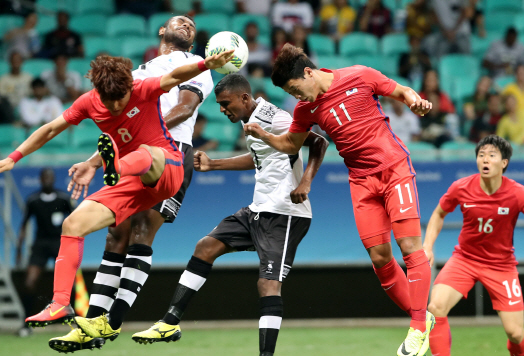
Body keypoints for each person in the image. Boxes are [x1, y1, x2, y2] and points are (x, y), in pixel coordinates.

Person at [0, 49, 233, 331]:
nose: (115, 106)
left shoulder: (142, 88)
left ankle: (115, 165)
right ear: (97, 92)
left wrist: (205, 65)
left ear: (129, 86)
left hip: (166, 169)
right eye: (109, 100)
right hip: (128, 182)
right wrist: (13, 157)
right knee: (72, 223)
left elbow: (176, 75)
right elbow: (51, 129)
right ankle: (59, 303)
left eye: (121, 98)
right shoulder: (89, 102)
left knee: (146, 151)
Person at [244, 43, 435, 356]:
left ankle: (416, 328)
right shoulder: (305, 110)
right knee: (379, 259)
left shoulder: (360, 75)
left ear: (308, 73)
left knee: (410, 247)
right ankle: (422, 318)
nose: (296, 98)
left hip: (394, 169)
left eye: (295, 89)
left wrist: (415, 100)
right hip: (360, 181)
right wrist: (265, 136)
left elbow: (401, 91)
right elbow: (292, 143)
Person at [47, 16, 216, 352]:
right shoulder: (137, 72)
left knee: (141, 230)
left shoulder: (195, 65)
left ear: (194, 41)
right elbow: (117, 128)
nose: (186, 24)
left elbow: (184, 108)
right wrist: (93, 162)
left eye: (191, 25)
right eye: (178, 21)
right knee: (115, 234)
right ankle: (91, 323)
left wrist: (150, 133)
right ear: (161, 31)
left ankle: (112, 322)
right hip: (136, 155)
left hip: (170, 154)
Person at [129, 74, 328, 356]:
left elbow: (319, 142)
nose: (222, 110)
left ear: (244, 98)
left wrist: (305, 182)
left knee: (268, 284)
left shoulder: (276, 118)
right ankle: (170, 323)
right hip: (258, 209)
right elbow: (260, 157)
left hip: (285, 213)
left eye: (226, 103)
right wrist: (215, 164)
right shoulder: (251, 120)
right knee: (205, 247)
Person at [424, 135, 524, 356]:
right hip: (464, 260)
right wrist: (427, 246)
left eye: (491, 155)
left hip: (502, 266)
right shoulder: (461, 187)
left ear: (504, 162)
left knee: (516, 334)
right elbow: (439, 213)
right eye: (481, 155)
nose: (485, 160)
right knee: (435, 308)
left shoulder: (518, 193)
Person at [16, 168, 75, 337]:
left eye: (50, 177)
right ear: (40, 179)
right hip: (40, 244)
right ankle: (26, 325)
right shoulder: (33, 200)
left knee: (72, 283)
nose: (48, 180)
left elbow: (75, 220)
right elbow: (24, 225)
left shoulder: (63, 198)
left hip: (60, 243)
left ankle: (76, 323)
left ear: (54, 179)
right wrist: (19, 250)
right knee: (29, 282)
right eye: (45, 177)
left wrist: (73, 246)